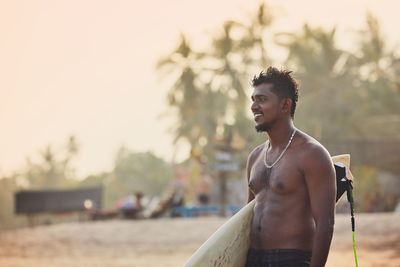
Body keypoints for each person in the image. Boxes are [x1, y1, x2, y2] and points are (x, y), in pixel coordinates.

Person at [245, 67, 336, 267]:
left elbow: (325, 224)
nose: (253, 106)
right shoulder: (255, 157)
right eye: (253, 99)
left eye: (261, 99)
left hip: (290, 259)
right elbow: (247, 217)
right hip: (253, 258)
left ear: (285, 105)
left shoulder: (312, 154)